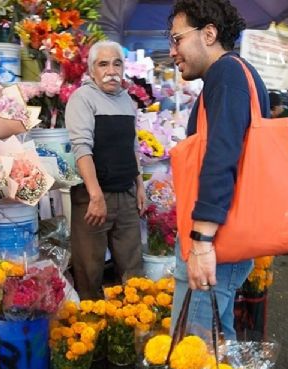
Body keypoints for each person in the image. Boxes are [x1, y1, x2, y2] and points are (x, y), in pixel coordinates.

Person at [167, 0, 269, 340]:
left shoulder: (226, 74)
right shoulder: (229, 76)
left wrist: (202, 243)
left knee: (192, 349)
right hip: (223, 238)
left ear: (208, 33)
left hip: (220, 241)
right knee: (215, 341)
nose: (172, 51)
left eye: (177, 39)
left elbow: (220, 157)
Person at [66, 40, 146, 299]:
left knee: (133, 272)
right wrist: (96, 196)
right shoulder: (82, 98)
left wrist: (140, 185)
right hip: (92, 199)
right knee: (89, 273)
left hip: (126, 196)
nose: (111, 70)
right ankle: (90, 333)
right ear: (91, 71)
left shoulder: (126, 100)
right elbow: (82, 149)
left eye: (117, 63)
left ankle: (132, 328)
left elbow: (132, 144)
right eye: (103, 64)